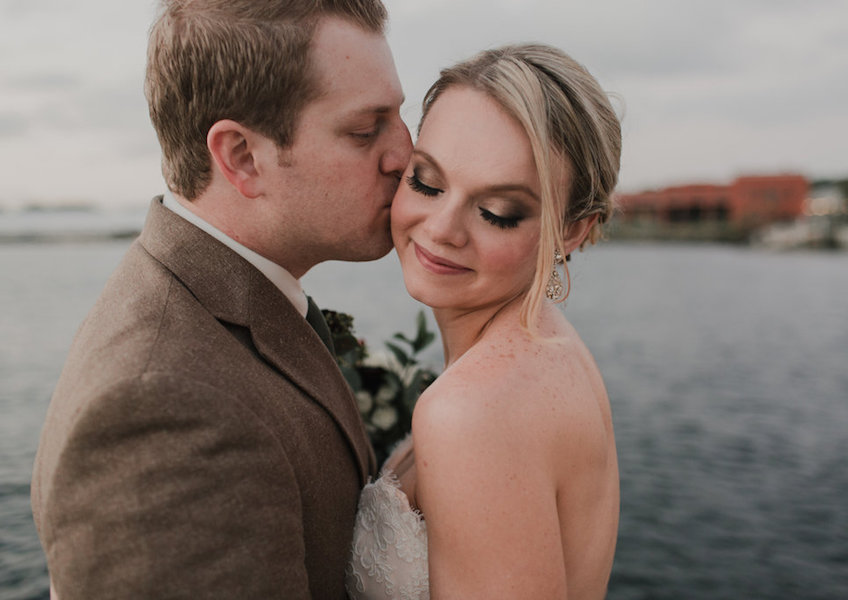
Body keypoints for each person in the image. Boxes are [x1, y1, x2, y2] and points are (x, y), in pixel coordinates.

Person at [30, 0, 411, 598]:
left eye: (399, 118)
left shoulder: (226, 300)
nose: (404, 156)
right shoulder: (161, 410)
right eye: (366, 130)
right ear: (241, 157)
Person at [346, 44, 622, 599]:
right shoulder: (550, 348)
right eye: (426, 181)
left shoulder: (474, 411)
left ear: (572, 231)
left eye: (497, 212)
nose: (443, 227)